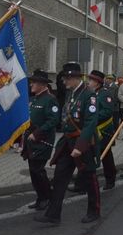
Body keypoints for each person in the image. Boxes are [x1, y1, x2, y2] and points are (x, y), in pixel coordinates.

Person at [35, 63, 100, 224]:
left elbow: (90, 123)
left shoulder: (89, 95)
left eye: (67, 78)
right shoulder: (71, 93)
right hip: (67, 142)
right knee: (60, 177)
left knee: (89, 177)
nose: (64, 81)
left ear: (76, 78)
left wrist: (80, 146)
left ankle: (94, 211)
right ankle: (53, 214)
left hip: (83, 143)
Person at [22, 69, 59, 211]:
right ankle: (40, 197)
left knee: (38, 171)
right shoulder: (34, 99)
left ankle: (48, 197)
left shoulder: (50, 100)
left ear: (43, 84)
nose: (31, 84)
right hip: (31, 141)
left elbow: (53, 121)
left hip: (42, 141)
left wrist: (37, 134)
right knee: (33, 171)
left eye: (34, 82)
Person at [88, 70, 117, 190]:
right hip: (92, 130)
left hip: (103, 131)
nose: (88, 82)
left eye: (91, 80)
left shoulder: (105, 94)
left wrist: (92, 118)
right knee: (88, 155)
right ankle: (82, 183)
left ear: (97, 83)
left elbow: (107, 112)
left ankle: (110, 179)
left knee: (106, 156)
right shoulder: (91, 93)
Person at [104, 74, 120, 138]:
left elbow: (116, 97)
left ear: (111, 80)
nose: (107, 80)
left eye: (108, 79)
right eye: (106, 79)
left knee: (115, 121)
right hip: (107, 107)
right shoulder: (105, 86)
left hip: (114, 107)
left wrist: (112, 103)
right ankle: (110, 133)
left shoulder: (116, 87)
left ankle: (116, 134)